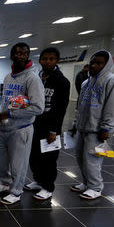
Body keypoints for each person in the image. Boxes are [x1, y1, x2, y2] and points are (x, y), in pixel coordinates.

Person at [0, 43, 45, 205]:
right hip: (4, 127)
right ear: (12, 56)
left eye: (25, 53)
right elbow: (6, 103)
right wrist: (0, 123)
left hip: (21, 129)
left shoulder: (32, 78)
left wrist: (11, 114)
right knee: (0, 161)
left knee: (18, 164)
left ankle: (16, 191)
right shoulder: (8, 77)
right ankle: (5, 182)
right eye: (18, 53)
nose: (21, 56)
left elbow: (38, 107)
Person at [70, 50, 114, 199]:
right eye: (92, 62)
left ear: (107, 64)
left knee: (92, 159)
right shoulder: (86, 82)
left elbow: (113, 106)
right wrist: (75, 123)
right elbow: (80, 105)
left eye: (99, 63)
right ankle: (86, 182)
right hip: (83, 127)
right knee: (81, 157)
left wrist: (107, 127)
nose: (94, 65)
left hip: (98, 130)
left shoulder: (113, 81)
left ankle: (96, 187)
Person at [24, 47, 70, 200]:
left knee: (48, 159)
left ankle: (48, 187)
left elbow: (61, 109)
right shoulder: (36, 78)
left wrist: (53, 131)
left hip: (50, 127)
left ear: (57, 61)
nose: (47, 62)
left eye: (51, 59)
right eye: (44, 59)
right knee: (34, 156)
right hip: (34, 124)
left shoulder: (62, 81)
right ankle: (38, 181)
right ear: (40, 60)